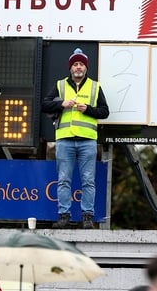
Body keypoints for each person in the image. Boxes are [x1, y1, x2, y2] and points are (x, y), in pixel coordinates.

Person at [42, 47, 109, 229]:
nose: (78, 67)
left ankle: (87, 217)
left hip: (87, 141)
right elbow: (45, 105)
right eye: (75, 64)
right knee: (64, 179)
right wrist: (61, 103)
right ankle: (64, 215)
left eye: (81, 64)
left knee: (88, 180)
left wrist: (88, 109)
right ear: (70, 68)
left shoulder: (95, 87)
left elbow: (105, 112)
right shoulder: (60, 85)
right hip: (64, 140)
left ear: (86, 68)